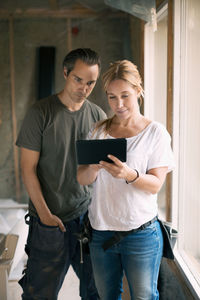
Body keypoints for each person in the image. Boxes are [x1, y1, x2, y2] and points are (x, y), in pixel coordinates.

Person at [77, 60, 175, 300]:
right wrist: (94, 167)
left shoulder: (155, 133)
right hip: (101, 233)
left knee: (144, 297)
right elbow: (82, 178)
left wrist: (129, 175)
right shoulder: (98, 130)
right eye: (111, 97)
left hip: (140, 234)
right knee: (107, 297)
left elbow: (156, 185)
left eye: (125, 96)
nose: (118, 105)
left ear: (138, 92)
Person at [16, 48, 106, 300]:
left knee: (95, 291)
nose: (84, 88)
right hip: (48, 220)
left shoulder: (97, 116)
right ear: (65, 73)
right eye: (78, 79)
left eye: (91, 82)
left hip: (87, 219)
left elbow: (97, 172)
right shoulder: (40, 113)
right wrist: (45, 215)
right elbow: (27, 169)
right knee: (39, 294)